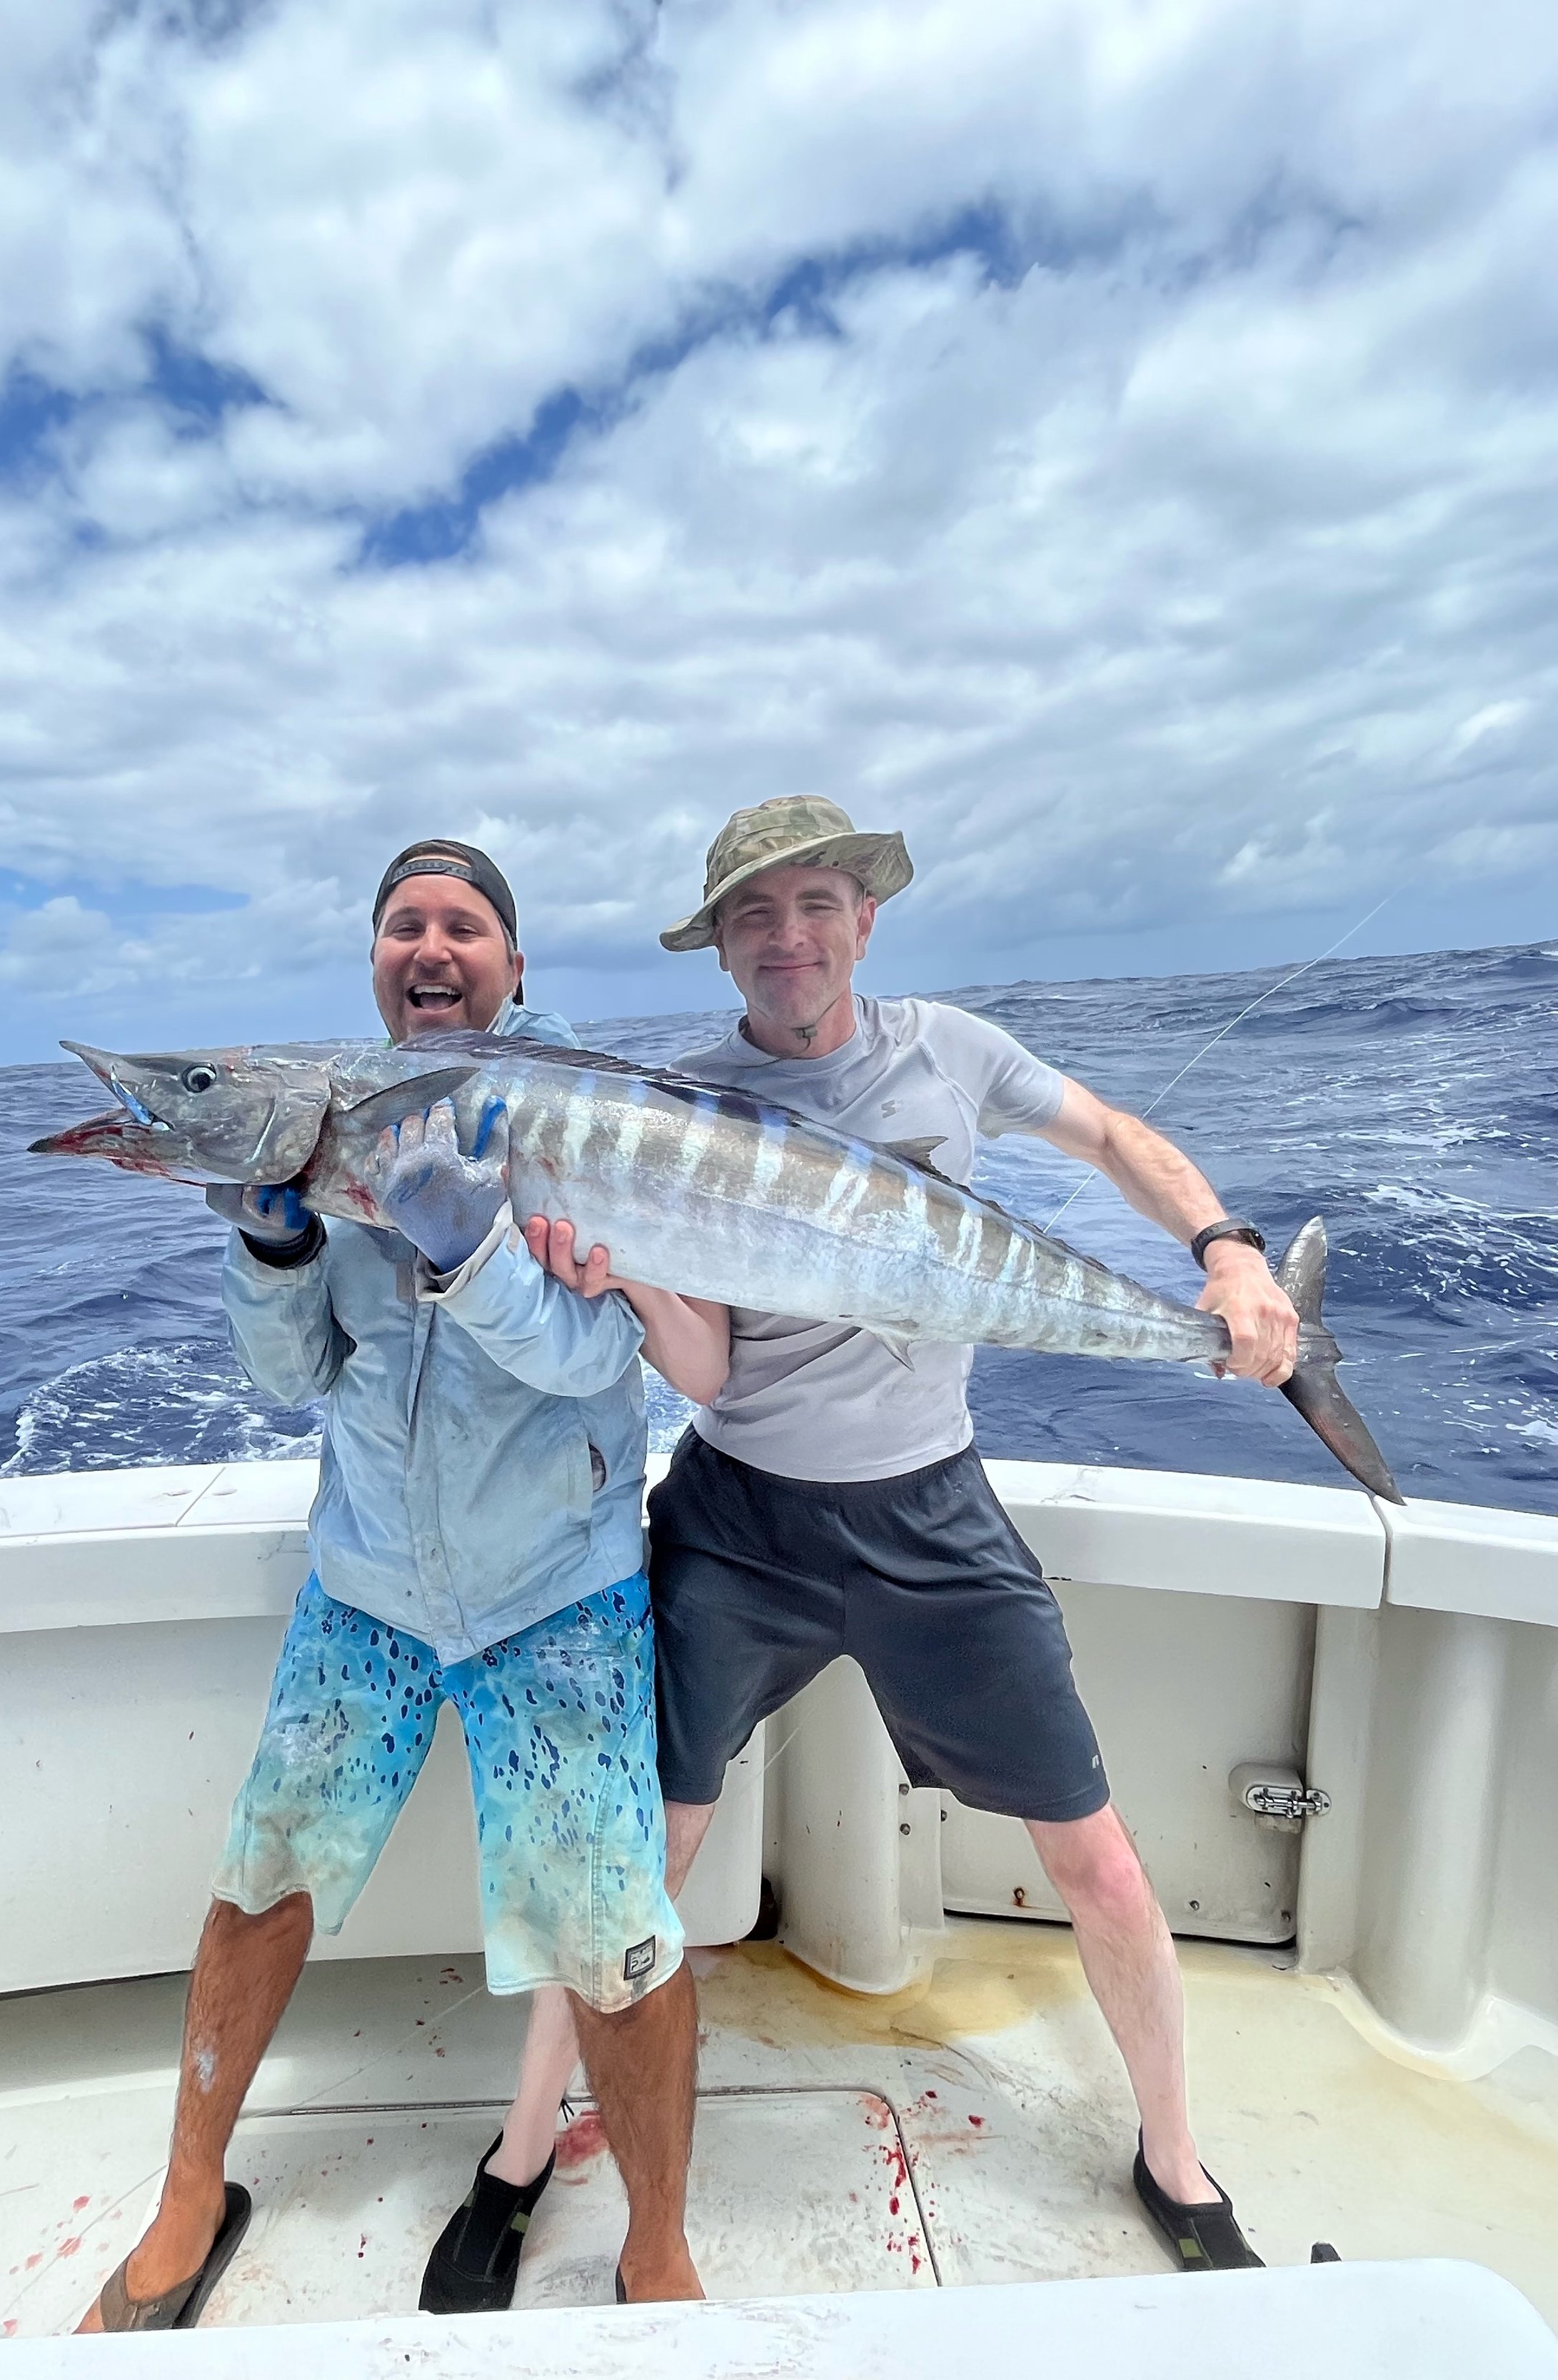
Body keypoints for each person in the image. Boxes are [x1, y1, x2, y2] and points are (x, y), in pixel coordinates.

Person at [485, 795, 1295, 2277]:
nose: (784, 937)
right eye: (751, 916)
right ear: (721, 949)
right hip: (738, 1520)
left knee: (1097, 1859)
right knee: (626, 1850)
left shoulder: (953, 1050)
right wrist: (622, 1282)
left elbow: (1109, 1133)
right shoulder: (666, 1102)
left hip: (934, 1509)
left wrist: (1226, 1253)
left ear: (863, 918)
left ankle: (1172, 2153)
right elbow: (709, 1367)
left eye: (811, 905)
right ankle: (522, 2140)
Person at [79, 840, 720, 2334]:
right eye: (401, 924)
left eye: (463, 924)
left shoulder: (567, 1113)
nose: (430, 946)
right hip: (365, 1577)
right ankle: (189, 2189)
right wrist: (271, 1231)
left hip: (555, 1590)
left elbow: (585, 1358)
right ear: (373, 957)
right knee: (261, 1877)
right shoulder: (327, 1115)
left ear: (511, 961)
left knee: (609, 1927)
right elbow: (291, 1372)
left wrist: (475, 1249)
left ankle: (659, 2245)